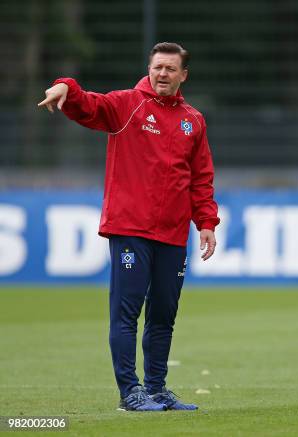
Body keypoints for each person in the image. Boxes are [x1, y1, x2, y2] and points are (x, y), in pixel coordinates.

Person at [38, 42, 220, 411]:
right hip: (130, 229)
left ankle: (156, 389)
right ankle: (129, 393)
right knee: (127, 312)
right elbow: (88, 106)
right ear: (149, 69)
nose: (162, 74)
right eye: (157, 67)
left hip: (171, 233)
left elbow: (201, 177)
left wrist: (206, 221)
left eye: (170, 68)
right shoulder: (126, 104)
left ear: (183, 75)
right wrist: (66, 88)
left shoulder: (193, 120)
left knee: (164, 313)